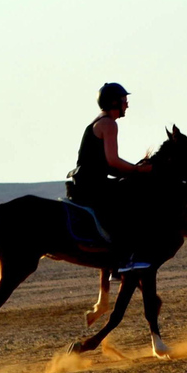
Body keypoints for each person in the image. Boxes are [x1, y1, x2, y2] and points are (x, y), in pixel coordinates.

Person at [68, 82, 153, 271]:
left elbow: (109, 164)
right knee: (130, 207)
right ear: (114, 102)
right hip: (93, 185)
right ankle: (122, 260)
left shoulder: (100, 122)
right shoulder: (108, 124)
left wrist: (132, 169)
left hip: (88, 181)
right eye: (124, 100)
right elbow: (113, 161)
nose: (127, 105)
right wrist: (138, 170)